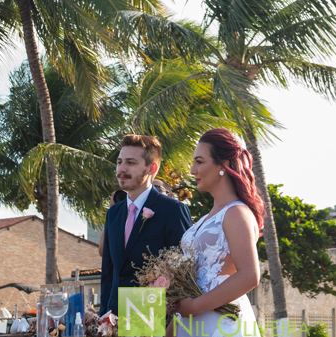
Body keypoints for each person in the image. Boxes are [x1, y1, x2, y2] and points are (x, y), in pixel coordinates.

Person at [174, 128, 263, 337]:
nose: (192, 170)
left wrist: (194, 306)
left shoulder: (236, 213)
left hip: (221, 326)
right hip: (190, 325)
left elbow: (249, 275)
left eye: (199, 162)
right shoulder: (206, 218)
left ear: (223, 165)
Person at [100, 134, 192, 317]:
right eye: (119, 162)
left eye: (130, 163)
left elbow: (185, 273)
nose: (121, 169)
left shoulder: (173, 210)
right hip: (115, 318)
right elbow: (109, 273)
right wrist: (104, 316)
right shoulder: (113, 213)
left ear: (152, 168)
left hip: (153, 317)